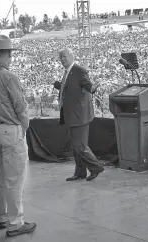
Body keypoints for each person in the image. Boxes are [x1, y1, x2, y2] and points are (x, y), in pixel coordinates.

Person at [0, 35, 36, 237]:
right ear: (8, 54)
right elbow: (20, 106)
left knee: (1, 175)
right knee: (15, 178)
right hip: (9, 130)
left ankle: (2, 217)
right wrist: (25, 126)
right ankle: (16, 222)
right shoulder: (8, 76)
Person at [53, 48, 104, 181]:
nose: (62, 60)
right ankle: (80, 172)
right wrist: (59, 85)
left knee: (80, 146)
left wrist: (93, 88)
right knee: (76, 147)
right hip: (72, 115)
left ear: (71, 56)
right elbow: (72, 88)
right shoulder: (68, 72)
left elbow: (87, 86)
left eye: (64, 56)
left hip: (79, 115)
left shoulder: (79, 70)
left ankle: (96, 167)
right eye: (60, 58)